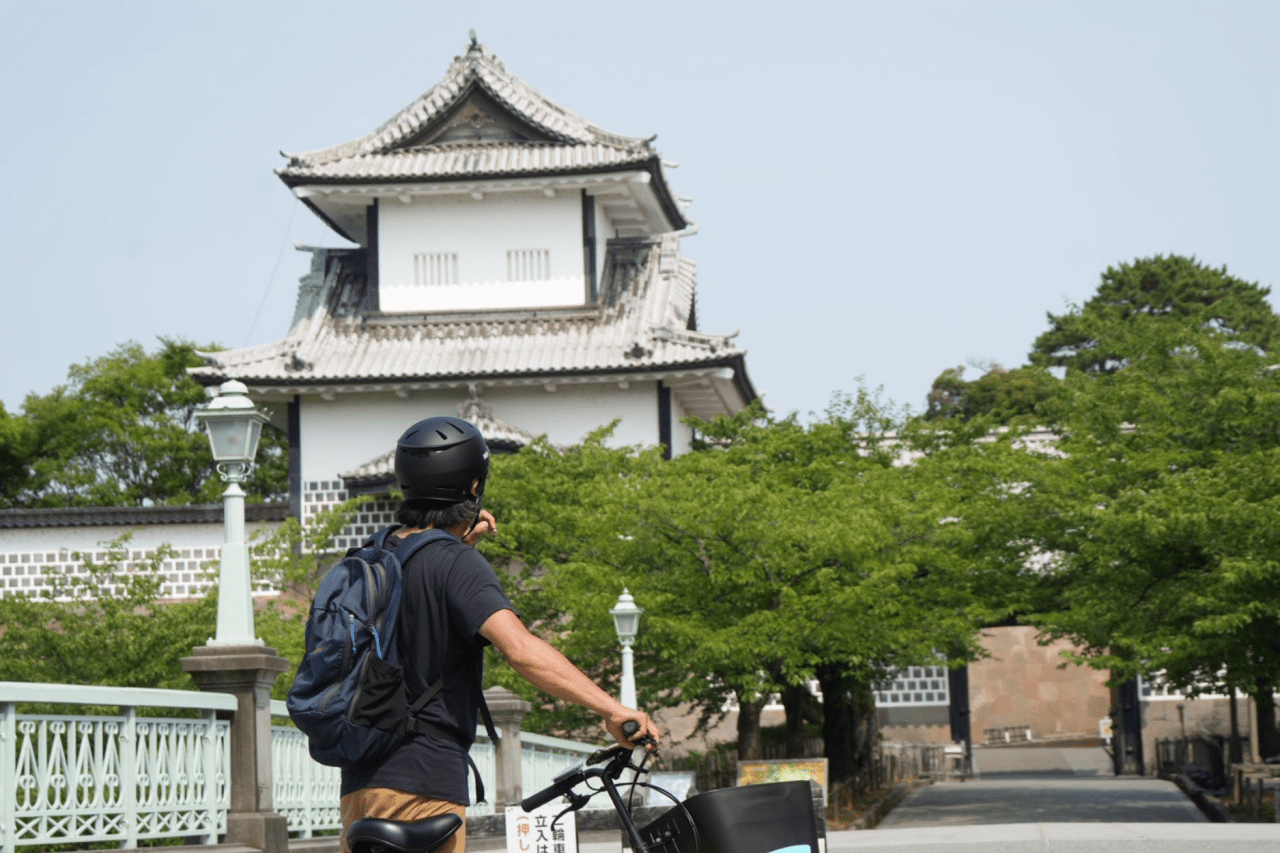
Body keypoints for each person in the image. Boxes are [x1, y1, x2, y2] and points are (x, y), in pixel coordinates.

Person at [339, 415, 662, 853]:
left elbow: (412, 617)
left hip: (361, 785)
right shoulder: (455, 564)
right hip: (423, 785)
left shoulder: (373, 556)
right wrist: (610, 709)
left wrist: (458, 546)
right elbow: (522, 651)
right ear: (474, 487)